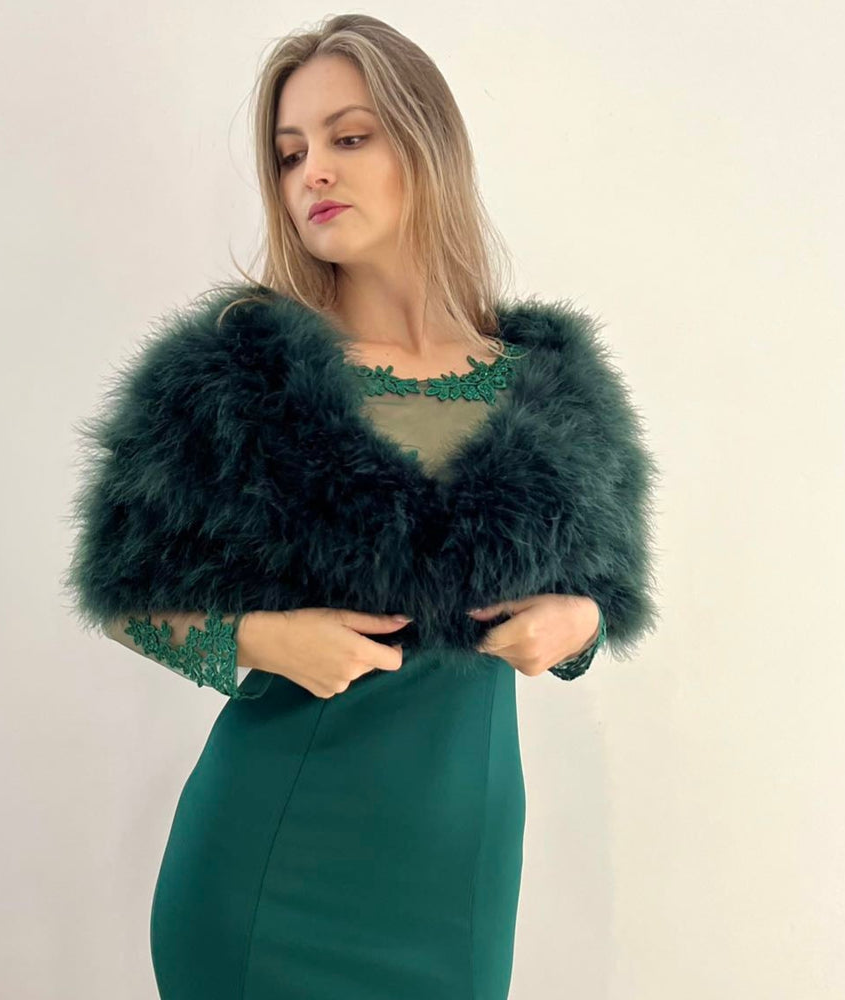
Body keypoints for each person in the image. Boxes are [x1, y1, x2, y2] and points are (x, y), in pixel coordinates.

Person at [63, 14, 659, 1000]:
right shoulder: (239, 374)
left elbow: (605, 594)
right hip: (266, 867)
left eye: (348, 137)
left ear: (426, 148)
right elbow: (126, 595)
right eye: (290, 153)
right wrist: (264, 639)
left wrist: (577, 624)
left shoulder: (554, 386)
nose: (314, 173)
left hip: (458, 878)